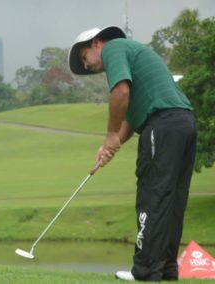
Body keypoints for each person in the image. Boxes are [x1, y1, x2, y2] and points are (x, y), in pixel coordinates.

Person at [68, 26, 197, 281]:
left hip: (162, 125)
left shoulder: (113, 48)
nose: (88, 66)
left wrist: (109, 135)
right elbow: (130, 119)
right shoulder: (131, 53)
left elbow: (121, 93)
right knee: (172, 200)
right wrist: (111, 147)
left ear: (96, 43)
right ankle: (166, 269)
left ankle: (145, 270)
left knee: (152, 195)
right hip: (184, 124)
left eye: (84, 57)